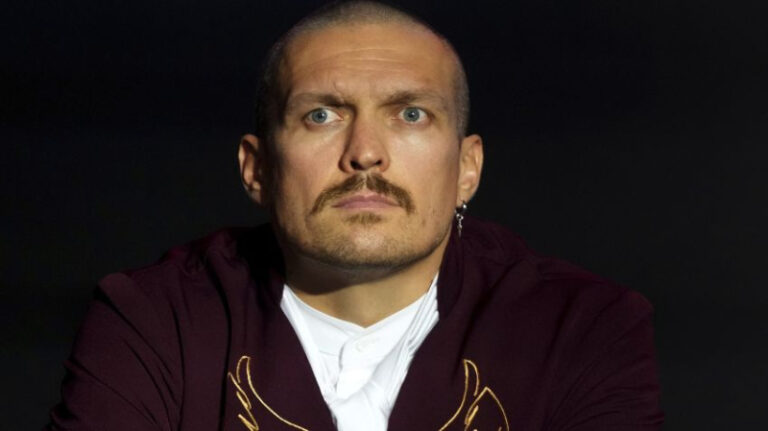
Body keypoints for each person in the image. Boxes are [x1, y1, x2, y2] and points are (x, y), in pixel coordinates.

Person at [47, 1, 663, 430]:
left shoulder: (580, 326)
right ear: (257, 169)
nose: (365, 152)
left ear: (467, 169)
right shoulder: (156, 318)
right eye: (322, 115)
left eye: (411, 114)